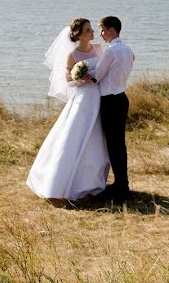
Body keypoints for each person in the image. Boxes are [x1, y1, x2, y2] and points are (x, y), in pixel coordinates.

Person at [26, 18, 109, 204]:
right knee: (77, 138)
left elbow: (105, 70)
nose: (92, 32)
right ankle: (65, 185)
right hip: (83, 99)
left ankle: (93, 184)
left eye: (91, 29)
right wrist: (81, 79)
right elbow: (69, 80)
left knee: (97, 141)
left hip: (99, 97)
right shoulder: (73, 55)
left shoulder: (99, 49)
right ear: (79, 34)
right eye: (88, 30)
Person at [92, 15, 135, 200]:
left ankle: (120, 186)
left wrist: (80, 71)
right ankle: (122, 183)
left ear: (111, 30)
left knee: (113, 144)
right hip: (122, 98)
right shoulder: (128, 50)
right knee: (119, 144)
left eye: (102, 29)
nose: (100, 34)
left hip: (110, 101)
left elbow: (98, 75)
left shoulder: (111, 51)